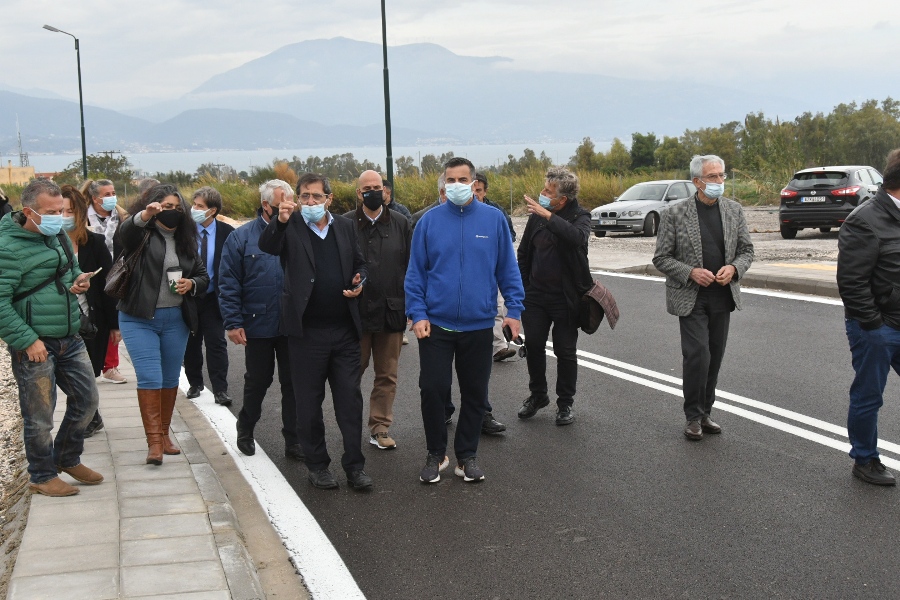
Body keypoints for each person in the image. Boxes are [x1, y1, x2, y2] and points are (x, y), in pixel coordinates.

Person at [406, 157, 525, 484]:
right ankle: (436, 454)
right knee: (432, 389)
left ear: (474, 183)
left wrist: (513, 312)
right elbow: (415, 273)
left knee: (475, 393)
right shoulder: (428, 223)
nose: (456, 185)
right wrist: (417, 313)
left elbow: (507, 270)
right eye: (450, 180)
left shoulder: (494, 220)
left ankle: (467, 457)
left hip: (478, 324)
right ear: (443, 184)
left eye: (463, 179)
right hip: (436, 326)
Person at [258, 173, 373, 492]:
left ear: (329, 199)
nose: (310, 202)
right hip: (305, 334)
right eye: (305, 197)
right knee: (308, 403)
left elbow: (361, 264)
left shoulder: (346, 226)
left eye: (316, 197)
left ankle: (355, 466)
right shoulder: (289, 226)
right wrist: (280, 221)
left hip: (345, 332)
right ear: (296, 199)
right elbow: (267, 246)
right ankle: (318, 466)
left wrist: (359, 280)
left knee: (349, 401)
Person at [0, 178, 103, 497]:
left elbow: (68, 270)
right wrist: (27, 340)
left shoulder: (56, 233)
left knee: (87, 400)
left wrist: (79, 281)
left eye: (62, 210)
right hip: (34, 344)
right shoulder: (7, 247)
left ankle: (66, 457)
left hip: (69, 335)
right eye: (52, 211)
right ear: (29, 211)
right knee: (39, 414)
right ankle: (42, 475)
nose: (60, 217)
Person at [653, 154, 754, 441]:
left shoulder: (734, 211)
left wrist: (734, 268)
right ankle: (693, 416)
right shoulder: (675, 213)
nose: (720, 182)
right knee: (698, 355)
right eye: (713, 177)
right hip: (691, 296)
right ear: (697, 181)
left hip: (722, 296)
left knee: (715, 357)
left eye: (722, 175)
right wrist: (690, 272)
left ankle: (706, 411)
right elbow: (661, 258)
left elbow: (747, 251)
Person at [117, 184, 209, 465]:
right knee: (150, 378)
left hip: (175, 319)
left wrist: (191, 283)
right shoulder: (140, 234)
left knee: (170, 379)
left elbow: (203, 275)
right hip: (139, 317)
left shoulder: (186, 240)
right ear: (152, 206)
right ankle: (154, 443)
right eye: (165, 207)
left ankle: (165, 435)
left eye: (176, 208)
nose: (171, 212)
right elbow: (126, 233)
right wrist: (145, 215)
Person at [218, 180, 303, 461]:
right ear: (267, 205)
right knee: (258, 381)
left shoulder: (300, 233)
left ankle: (294, 439)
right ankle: (245, 429)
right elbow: (228, 282)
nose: (289, 207)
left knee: (294, 383)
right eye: (283, 201)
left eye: (292, 201)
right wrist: (232, 322)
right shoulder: (241, 238)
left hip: (292, 325)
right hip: (258, 324)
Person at [836, 148, 900, 486]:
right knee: (869, 395)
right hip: (878, 327)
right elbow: (851, 282)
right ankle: (865, 459)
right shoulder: (865, 219)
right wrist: (873, 326)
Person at [516, 167, 593, 426]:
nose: (543, 194)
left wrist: (547, 215)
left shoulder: (580, 216)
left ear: (562, 199)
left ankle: (565, 403)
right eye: (544, 189)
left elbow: (576, 238)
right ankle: (538, 395)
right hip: (536, 296)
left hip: (566, 298)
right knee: (534, 346)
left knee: (565, 350)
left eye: (548, 192)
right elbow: (524, 253)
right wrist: (524, 288)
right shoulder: (536, 218)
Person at [343, 170, 411, 450]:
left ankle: (380, 427)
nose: (373, 192)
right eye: (367, 188)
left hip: (390, 312)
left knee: (387, 374)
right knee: (349, 373)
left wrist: (412, 306)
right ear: (359, 193)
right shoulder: (343, 224)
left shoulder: (401, 224)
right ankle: (348, 426)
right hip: (353, 314)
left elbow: (412, 267)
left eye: (378, 187)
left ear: (385, 191)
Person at [60, 185, 118, 437]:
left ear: (81, 213)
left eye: (70, 211)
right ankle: (87, 417)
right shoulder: (48, 244)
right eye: (59, 211)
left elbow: (110, 283)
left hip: (92, 319)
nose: (64, 216)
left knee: (89, 373)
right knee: (72, 377)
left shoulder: (94, 242)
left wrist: (115, 324)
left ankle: (90, 416)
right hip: (58, 321)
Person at [184, 187, 235, 406]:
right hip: (189, 296)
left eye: (199, 206)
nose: (194, 209)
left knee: (216, 343)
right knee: (191, 343)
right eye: (193, 204)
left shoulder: (227, 232)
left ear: (212, 210)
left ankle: (220, 389)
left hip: (215, 297)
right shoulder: (184, 231)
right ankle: (195, 383)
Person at [83, 179, 128, 385]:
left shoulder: (122, 217)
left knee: (114, 315)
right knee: (95, 316)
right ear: (95, 198)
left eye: (113, 192)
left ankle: (111, 365)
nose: (111, 197)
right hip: (92, 271)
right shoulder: (84, 217)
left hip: (118, 271)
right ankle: (89, 361)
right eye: (106, 194)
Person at [474, 172, 518, 366]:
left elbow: (511, 235)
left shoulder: (497, 212)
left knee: (498, 306)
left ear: (485, 191)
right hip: (471, 270)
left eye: (479, 190)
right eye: (472, 189)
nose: (475, 194)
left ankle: (499, 346)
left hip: (493, 267)